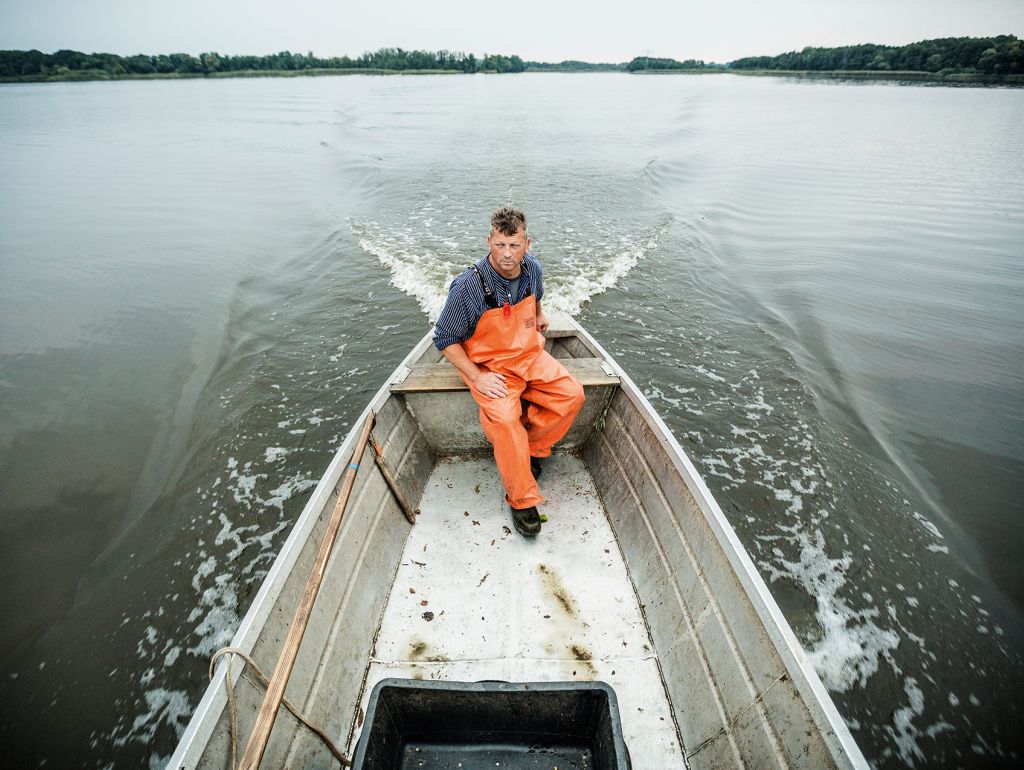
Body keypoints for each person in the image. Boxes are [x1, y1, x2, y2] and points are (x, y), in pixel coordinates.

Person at [433, 206, 585, 537]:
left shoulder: (533, 270)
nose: (506, 254)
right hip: (492, 367)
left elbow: (536, 299)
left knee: (571, 395)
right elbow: (444, 339)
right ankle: (521, 499)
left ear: (527, 244)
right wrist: (476, 377)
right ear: (489, 240)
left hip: (530, 354)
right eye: (500, 245)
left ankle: (529, 451)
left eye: (514, 245)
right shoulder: (468, 287)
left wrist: (540, 317)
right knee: (504, 419)